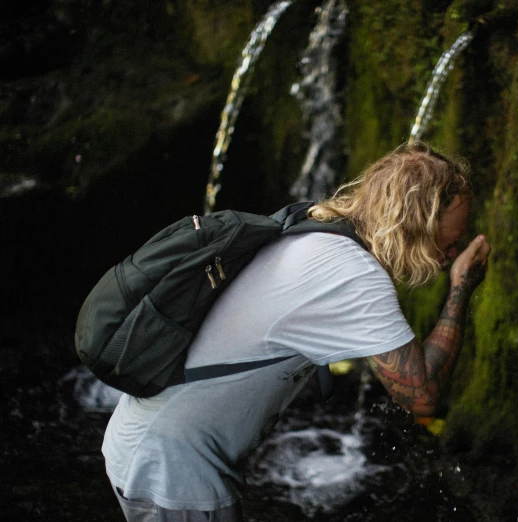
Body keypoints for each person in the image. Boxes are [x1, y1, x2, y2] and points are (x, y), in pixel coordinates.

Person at [101, 141, 491, 521]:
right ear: (417, 223)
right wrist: (460, 289)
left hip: (152, 444)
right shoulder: (354, 276)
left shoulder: (315, 227)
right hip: (172, 466)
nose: (450, 254)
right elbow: (420, 397)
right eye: (450, 241)